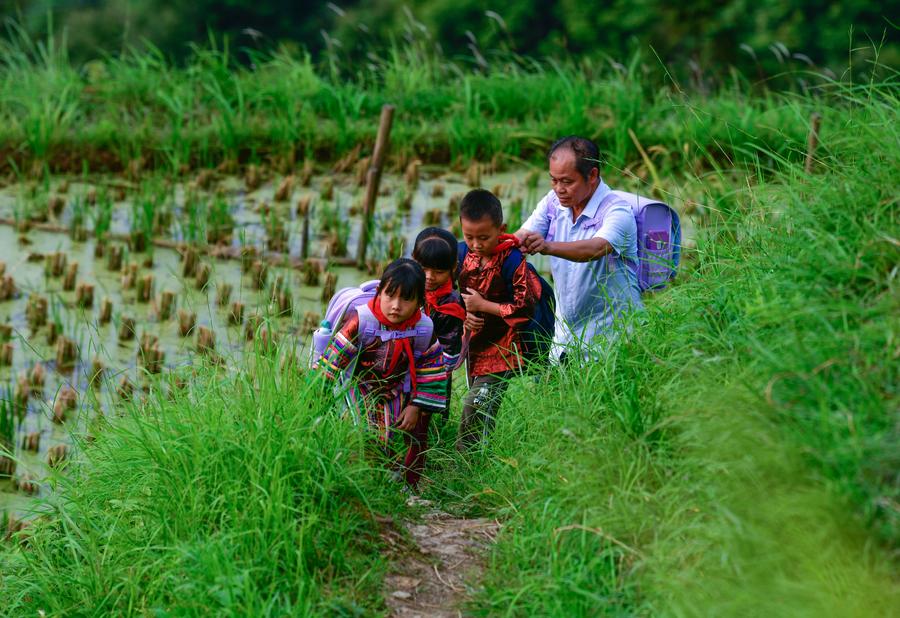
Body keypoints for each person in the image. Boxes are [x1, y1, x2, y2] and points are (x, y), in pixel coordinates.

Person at [317, 258, 448, 487]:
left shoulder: (423, 329)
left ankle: (385, 482)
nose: (396, 305)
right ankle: (356, 481)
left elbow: (431, 371)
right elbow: (332, 362)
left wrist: (415, 406)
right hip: (356, 384)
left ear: (420, 300)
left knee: (386, 437)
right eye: (390, 295)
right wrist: (318, 397)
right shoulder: (362, 320)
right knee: (361, 432)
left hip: (394, 389)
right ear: (379, 292)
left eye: (406, 299)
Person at [515, 136, 642, 361]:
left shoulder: (617, 212)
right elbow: (522, 236)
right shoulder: (553, 203)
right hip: (565, 340)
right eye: (553, 180)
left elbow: (595, 248)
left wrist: (547, 246)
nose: (558, 189)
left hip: (613, 340)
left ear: (592, 175)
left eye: (567, 181)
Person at [456, 189, 540, 451]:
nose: (476, 244)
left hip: (502, 347)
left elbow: (524, 308)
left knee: (476, 402)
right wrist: (466, 315)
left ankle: (463, 461)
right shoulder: (459, 255)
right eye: (469, 236)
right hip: (473, 344)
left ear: (501, 228)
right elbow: (445, 294)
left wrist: (484, 306)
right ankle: (480, 456)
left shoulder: (512, 260)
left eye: (484, 237)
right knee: (481, 404)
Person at [412, 227, 467, 428]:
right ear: (413, 259)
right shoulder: (408, 288)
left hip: (435, 369)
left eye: (438, 271)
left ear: (453, 268)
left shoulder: (450, 306)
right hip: (404, 363)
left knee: (429, 416)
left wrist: (428, 375)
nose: (429, 277)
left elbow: (449, 355)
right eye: (424, 268)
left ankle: (437, 437)